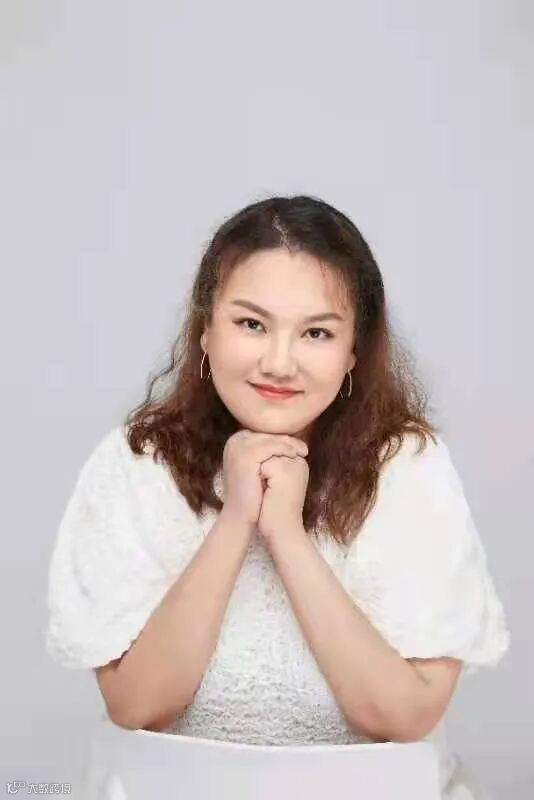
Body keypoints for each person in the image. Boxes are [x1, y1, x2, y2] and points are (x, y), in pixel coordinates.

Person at [45, 194, 510, 799]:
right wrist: (236, 517)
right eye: (251, 324)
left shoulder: (406, 466)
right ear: (206, 331)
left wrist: (287, 534)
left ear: (353, 351)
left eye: (316, 332)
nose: (279, 362)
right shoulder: (138, 463)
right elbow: (137, 706)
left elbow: (405, 717)